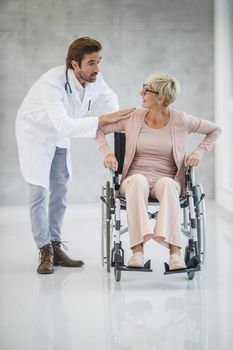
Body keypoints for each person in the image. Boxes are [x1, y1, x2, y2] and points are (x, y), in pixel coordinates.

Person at [15, 37, 134, 274]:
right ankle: (44, 250)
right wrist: (103, 120)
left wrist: (117, 125)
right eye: (91, 63)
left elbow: (110, 98)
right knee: (39, 193)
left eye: (99, 61)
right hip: (35, 134)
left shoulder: (94, 79)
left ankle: (56, 246)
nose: (97, 69)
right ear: (74, 64)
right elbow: (64, 125)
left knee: (60, 191)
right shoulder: (52, 83)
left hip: (59, 135)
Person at [95, 73, 222, 270]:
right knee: (138, 181)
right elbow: (98, 129)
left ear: (160, 98)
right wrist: (107, 154)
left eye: (145, 90)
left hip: (167, 177)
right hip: (135, 179)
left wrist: (198, 152)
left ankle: (175, 254)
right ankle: (137, 252)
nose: (141, 93)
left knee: (170, 185)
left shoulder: (181, 120)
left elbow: (215, 130)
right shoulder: (133, 116)